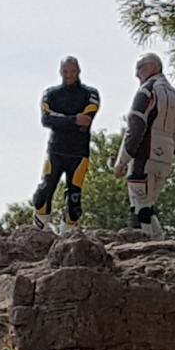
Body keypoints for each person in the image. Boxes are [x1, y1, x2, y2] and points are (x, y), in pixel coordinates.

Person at [30, 55, 103, 224]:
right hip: (55, 152)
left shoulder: (90, 93)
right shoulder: (50, 93)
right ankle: (40, 227)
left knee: (74, 201)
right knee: (43, 195)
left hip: (79, 154)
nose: (69, 75)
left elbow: (86, 119)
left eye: (72, 71)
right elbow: (46, 120)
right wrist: (74, 120)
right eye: (65, 71)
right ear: (60, 72)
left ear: (79, 71)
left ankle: (69, 231)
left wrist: (61, 120)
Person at [117, 52, 175, 227]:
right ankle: (158, 238)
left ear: (153, 67)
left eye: (140, 68)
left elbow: (136, 126)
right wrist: (170, 154)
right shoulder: (174, 95)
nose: (136, 74)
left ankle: (144, 239)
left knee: (139, 207)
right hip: (166, 156)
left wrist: (122, 160)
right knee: (149, 205)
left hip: (145, 155)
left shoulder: (147, 90)